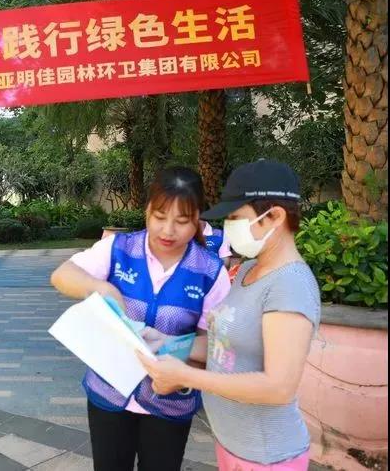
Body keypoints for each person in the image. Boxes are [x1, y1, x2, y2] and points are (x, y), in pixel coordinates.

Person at [138, 160, 320, 471]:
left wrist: (185, 377)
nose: (228, 227)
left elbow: (279, 387)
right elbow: (225, 348)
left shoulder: (290, 285)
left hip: (267, 456)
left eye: (236, 218)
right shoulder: (248, 269)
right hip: (232, 445)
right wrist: (166, 343)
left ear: (275, 216)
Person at [50, 166, 231, 471]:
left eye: (182, 221)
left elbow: (219, 347)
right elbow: (62, 275)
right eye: (159, 217)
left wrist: (171, 344)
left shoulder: (210, 272)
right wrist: (100, 287)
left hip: (169, 401)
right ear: (147, 210)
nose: (168, 231)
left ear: (198, 219)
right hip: (109, 392)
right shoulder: (118, 249)